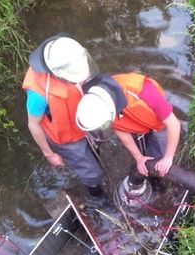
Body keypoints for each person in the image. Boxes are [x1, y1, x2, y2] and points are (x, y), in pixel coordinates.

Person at [22, 34, 104, 196]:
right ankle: (97, 196)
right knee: (90, 171)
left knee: (96, 148)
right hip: (67, 137)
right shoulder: (38, 95)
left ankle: (95, 159)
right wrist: (49, 154)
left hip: (85, 119)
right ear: (56, 73)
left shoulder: (73, 57)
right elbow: (33, 124)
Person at [74, 73, 180, 182]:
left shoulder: (143, 92)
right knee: (142, 150)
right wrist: (139, 157)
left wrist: (168, 158)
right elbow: (120, 129)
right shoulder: (96, 106)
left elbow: (174, 124)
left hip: (158, 123)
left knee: (160, 148)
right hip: (134, 120)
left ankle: (157, 178)